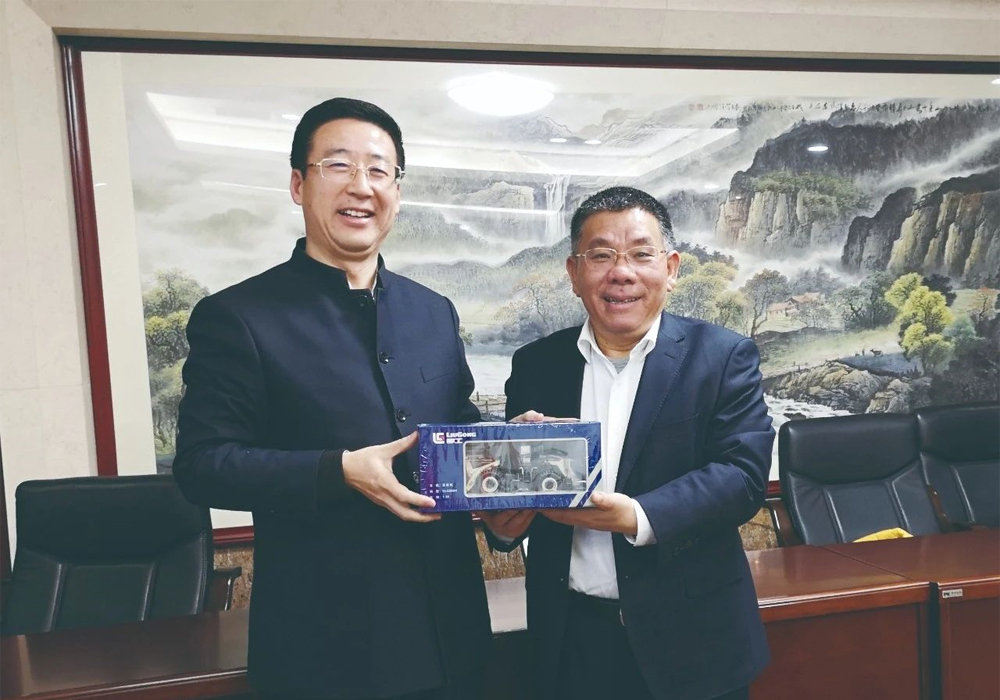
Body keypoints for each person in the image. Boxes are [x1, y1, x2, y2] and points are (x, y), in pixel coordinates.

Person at [173, 98, 491, 700]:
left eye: (379, 170)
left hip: (454, 637)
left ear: (397, 191)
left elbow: (460, 433)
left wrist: (512, 452)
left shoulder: (434, 311)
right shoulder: (238, 317)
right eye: (338, 165)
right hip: (326, 648)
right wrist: (338, 471)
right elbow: (202, 465)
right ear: (298, 184)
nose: (361, 186)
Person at [482, 186, 773, 700]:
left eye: (641, 254)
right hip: (571, 639)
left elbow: (742, 476)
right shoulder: (536, 365)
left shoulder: (722, 356)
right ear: (574, 273)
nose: (621, 272)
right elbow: (518, 487)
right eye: (601, 256)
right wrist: (503, 523)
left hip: (692, 641)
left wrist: (636, 516)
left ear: (671, 268)